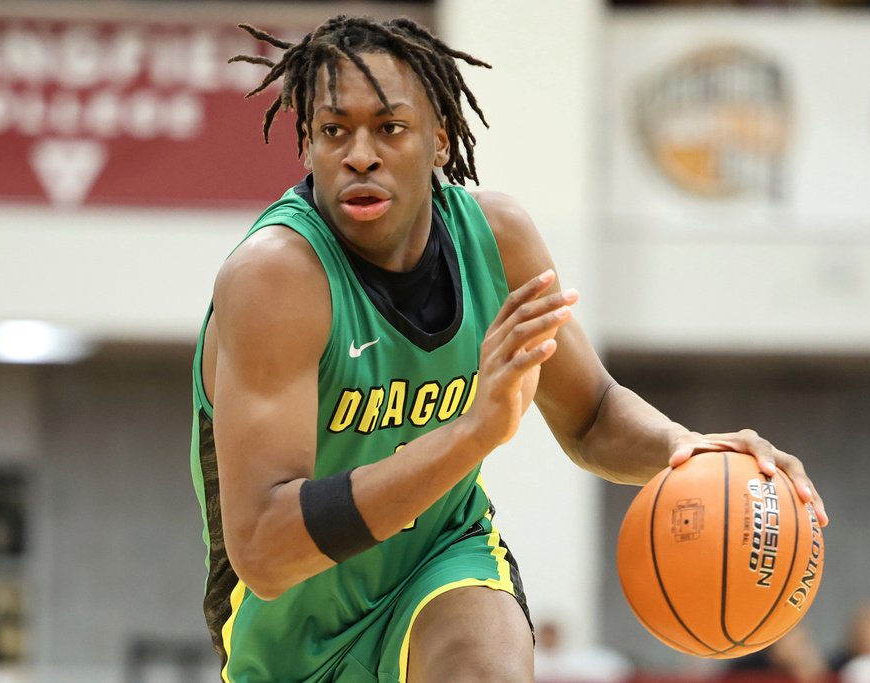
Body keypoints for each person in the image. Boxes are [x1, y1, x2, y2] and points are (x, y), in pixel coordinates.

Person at [189, 15, 829, 683]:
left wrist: (684, 449)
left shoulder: (497, 240)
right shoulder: (275, 279)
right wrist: (472, 436)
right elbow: (264, 547)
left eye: (389, 127)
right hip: (289, 623)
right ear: (308, 146)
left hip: (438, 561)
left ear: (439, 140)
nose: (359, 153)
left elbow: (592, 413)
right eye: (333, 130)